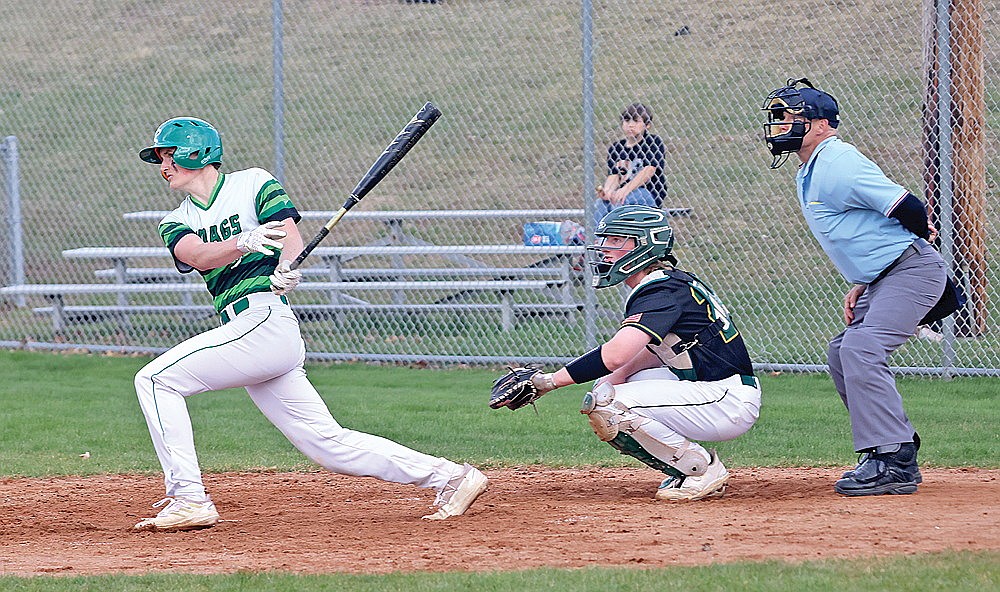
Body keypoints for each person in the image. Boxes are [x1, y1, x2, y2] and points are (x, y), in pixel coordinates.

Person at [131, 116, 487, 530]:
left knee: (156, 380)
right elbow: (200, 256)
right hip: (247, 332)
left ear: (197, 151)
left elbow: (288, 237)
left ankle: (188, 497)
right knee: (326, 444)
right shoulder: (175, 219)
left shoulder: (252, 183)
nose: (163, 165)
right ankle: (452, 477)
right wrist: (243, 242)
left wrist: (286, 268)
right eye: (160, 157)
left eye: (169, 154)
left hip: (264, 319)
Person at [762, 78, 947, 496]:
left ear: (823, 125)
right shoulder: (812, 164)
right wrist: (866, 281)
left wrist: (920, 243)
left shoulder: (837, 160)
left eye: (792, 117)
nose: (781, 126)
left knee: (862, 348)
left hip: (910, 270)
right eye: (780, 118)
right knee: (841, 351)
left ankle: (893, 459)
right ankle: (887, 449)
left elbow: (905, 207)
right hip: (886, 276)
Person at [500, 205, 761, 501]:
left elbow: (615, 354)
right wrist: (617, 376)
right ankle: (687, 467)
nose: (605, 249)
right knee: (611, 389)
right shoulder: (668, 282)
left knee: (611, 406)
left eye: (615, 241)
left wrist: (547, 382)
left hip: (726, 399)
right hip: (713, 386)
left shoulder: (661, 290)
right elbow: (658, 351)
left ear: (645, 245)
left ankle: (699, 469)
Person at [593, 103, 668, 227]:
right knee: (600, 204)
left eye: (636, 121)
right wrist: (608, 191)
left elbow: (649, 170)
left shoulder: (653, 142)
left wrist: (625, 190)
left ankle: (610, 237)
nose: (630, 125)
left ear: (647, 125)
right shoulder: (617, 148)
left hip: (647, 192)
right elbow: (614, 175)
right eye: (626, 120)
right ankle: (596, 239)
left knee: (622, 202)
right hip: (622, 193)